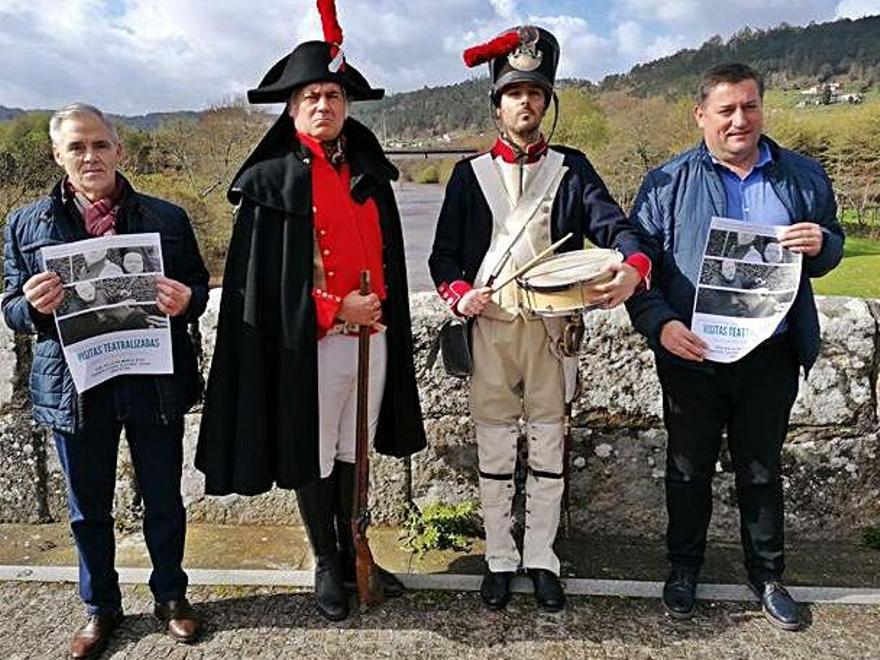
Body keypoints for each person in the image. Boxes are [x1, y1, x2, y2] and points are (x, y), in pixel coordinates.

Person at [196, 0, 426, 623]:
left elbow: (387, 257)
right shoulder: (271, 180)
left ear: (346, 104)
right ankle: (326, 558)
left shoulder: (369, 171)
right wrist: (331, 307)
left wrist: (379, 309)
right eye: (310, 97)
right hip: (315, 341)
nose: (323, 105)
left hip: (372, 338)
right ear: (292, 108)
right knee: (317, 450)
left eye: (332, 94)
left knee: (356, 450)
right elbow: (259, 286)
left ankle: (358, 547)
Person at [429, 25, 650, 612]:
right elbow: (443, 257)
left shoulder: (573, 169)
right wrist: (459, 294)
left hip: (554, 332)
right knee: (496, 452)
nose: (526, 101)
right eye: (514, 91)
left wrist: (634, 266)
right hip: (493, 329)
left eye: (536, 92)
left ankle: (542, 557)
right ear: (497, 104)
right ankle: (500, 557)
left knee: (550, 449)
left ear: (547, 104)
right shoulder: (468, 175)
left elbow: (618, 230)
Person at [625, 62, 844, 630]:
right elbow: (637, 265)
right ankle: (682, 571)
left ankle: (768, 576)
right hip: (691, 351)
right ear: (701, 116)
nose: (739, 120)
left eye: (749, 106)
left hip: (770, 353)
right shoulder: (665, 183)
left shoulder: (802, 176)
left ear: (761, 108)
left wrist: (822, 243)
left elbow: (830, 245)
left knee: (762, 468)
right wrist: (660, 326)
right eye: (726, 110)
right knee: (687, 467)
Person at [2, 103, 209, 657]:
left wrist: (187, 300)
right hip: (76, 385)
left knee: (163, 498)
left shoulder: (167, 217)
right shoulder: (25, 224)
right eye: (77, 147)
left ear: (119, 150)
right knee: (86, 508)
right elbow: (10, 309)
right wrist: (31, 306)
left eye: (99, 145)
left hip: (150, 378)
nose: (89, 156)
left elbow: (197, 288)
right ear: (58, 155)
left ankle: (171, 596)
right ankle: (101, 608)